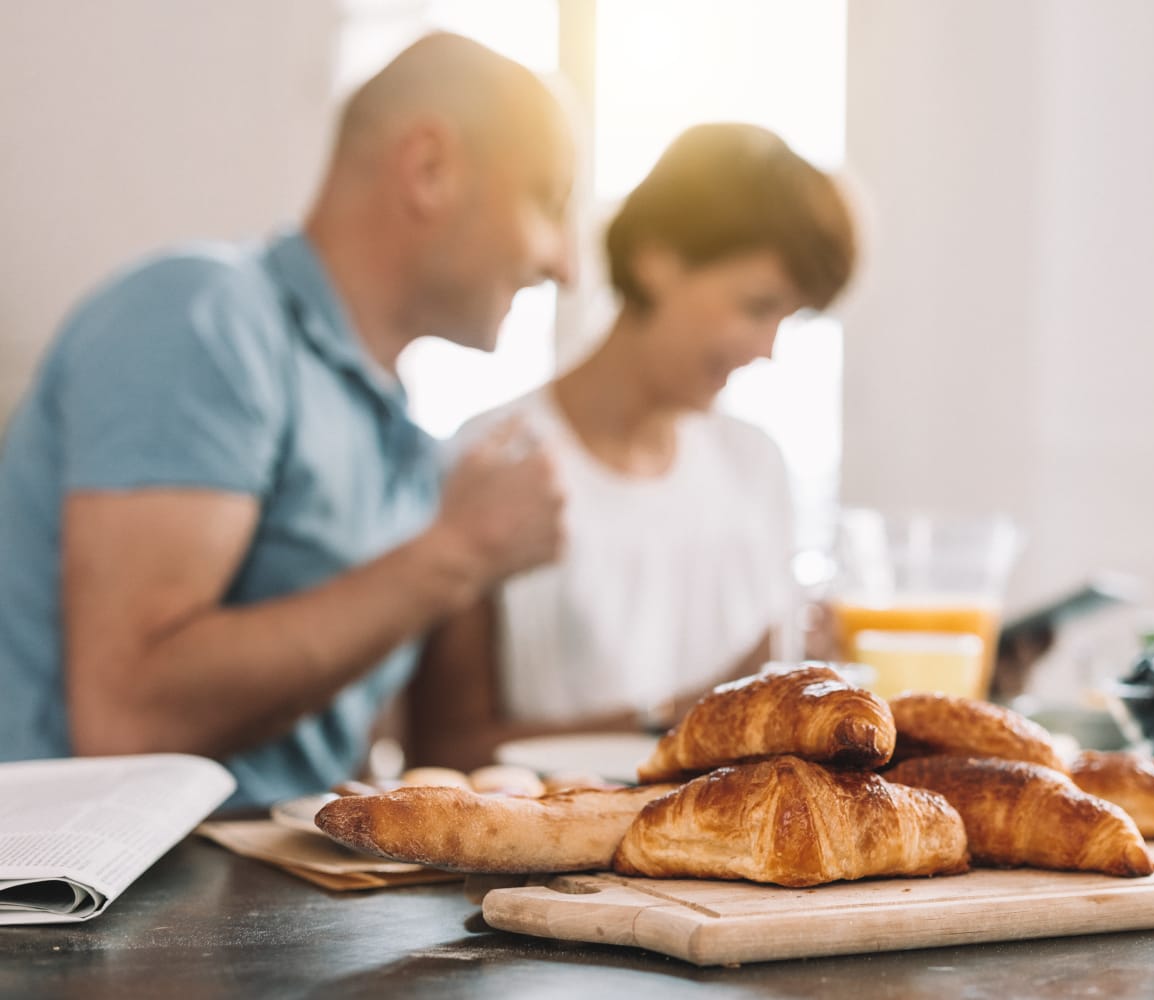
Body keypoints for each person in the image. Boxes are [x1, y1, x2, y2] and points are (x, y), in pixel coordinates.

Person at [0, 33, 574, 807]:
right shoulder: (202, 315)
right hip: (72, 907)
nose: (564, 262)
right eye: (547, 201)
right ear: (429, 169)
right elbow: (129, 718)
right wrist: (458, 553)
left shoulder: (403, 437)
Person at [403, 123, 858, 768]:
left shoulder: (755, 464)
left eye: (790, 318)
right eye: (758, 306)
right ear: (658, 258)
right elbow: (446, 751)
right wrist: (698, 715)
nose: (768, 348)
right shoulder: (493, 459)